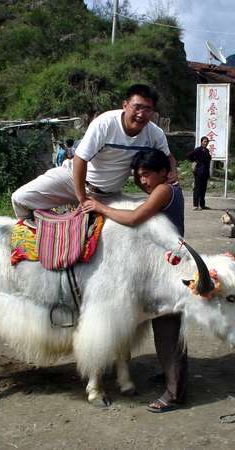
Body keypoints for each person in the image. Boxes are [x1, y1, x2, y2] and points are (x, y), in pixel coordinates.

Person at [82, 150, 186, 413]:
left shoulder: (164, 190)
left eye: (147, 174)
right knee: (164, 330)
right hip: (163, 268)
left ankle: (175, 393)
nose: (143, 181)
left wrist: (99, 207)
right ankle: (171, 378)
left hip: (168, 270)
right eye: (139, 175)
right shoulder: (166, 190)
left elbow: (134, 218)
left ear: (164, 172)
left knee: (168, 332)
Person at [11, 84, 177, 219]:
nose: (141, 114)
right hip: (72, 180)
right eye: (137, 107)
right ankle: (30, 244)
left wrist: (173, 173)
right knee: (20, 199)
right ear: (125, 105)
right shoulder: (105, 123)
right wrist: (82, 198)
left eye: (147, 109)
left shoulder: (155, 133)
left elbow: (168, 158)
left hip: (110, 195)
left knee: (139, 224)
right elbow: (80, 159)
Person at [186, 136, 212, 211]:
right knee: (197, 188)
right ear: (201, 142)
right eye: (204, 141)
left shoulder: (206, 150)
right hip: (198, 172)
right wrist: (195, 160)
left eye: (207, 141)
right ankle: (195, 205)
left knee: (203, 189)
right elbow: (188, 155)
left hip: (205, 172)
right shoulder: (198, 149)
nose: (206, 143)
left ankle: (202, 205)